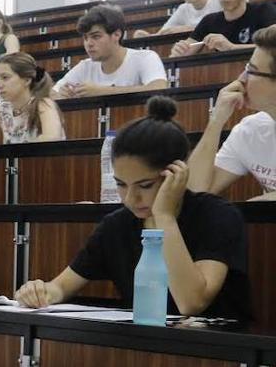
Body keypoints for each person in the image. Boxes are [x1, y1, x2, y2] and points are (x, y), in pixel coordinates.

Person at [16, 97, 250, 320]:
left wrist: (164, 216)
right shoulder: (117, 225)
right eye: (121, 184)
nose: (130, 198)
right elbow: (61, 286)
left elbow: (191, 302)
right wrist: (39, 292)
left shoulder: (217, 216)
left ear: (176, 174)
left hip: (218, 353)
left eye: (145, 185)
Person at [187, 25, 276, 201]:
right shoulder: (251, 130)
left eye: (251, 70)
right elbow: (194, 192)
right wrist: (216, 122)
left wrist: (261, 203)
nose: (241, 78)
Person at [53, 5, 168, 99]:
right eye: (85, 38)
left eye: (96, 36)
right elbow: (52, 94)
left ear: (116, 35)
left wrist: (103, 91)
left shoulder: (145, 58)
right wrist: (62, 94)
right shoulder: (85, 66)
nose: (89, 43)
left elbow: (159, 88)